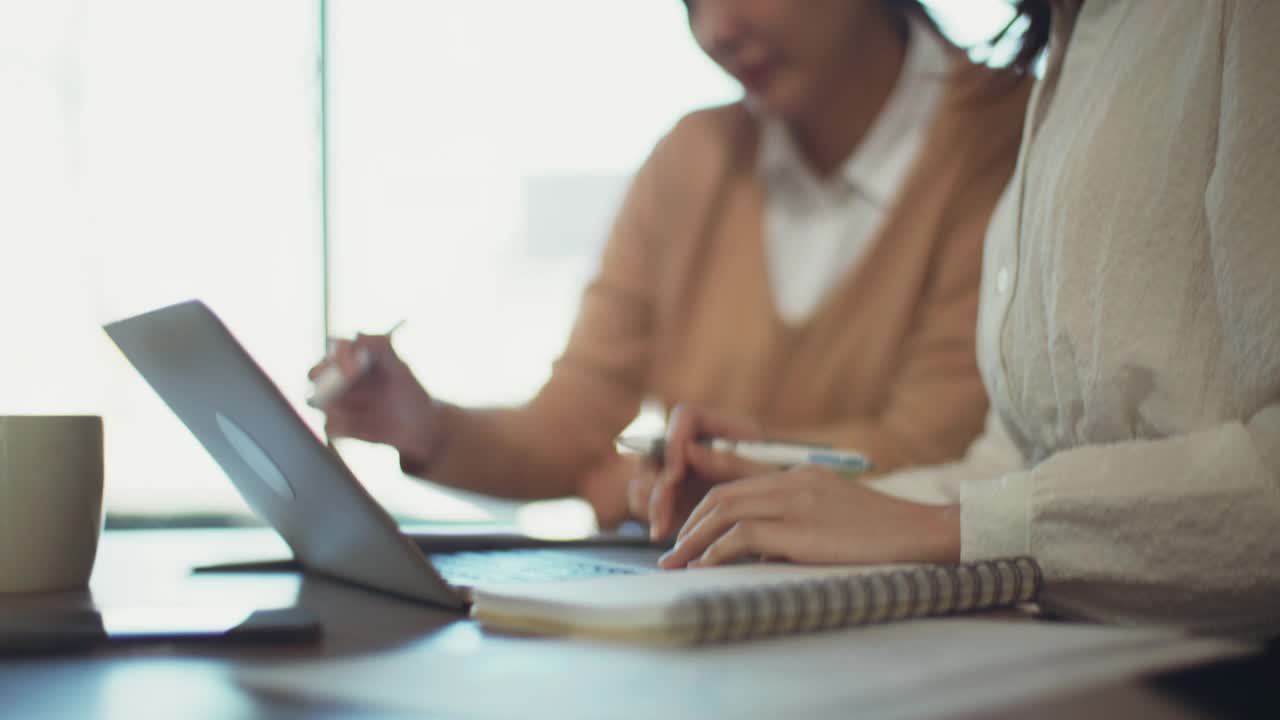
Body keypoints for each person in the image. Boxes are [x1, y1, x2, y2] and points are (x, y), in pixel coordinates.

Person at [650, 0, 1280, 638]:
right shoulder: (1074, 49)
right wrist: (794, 505)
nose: (714, 30)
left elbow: (992, 499)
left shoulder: (1237, 25)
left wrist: (942, 529)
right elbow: (1014, 463)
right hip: (1066, 645)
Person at [314, 0, 1034, 530]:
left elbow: (936, 449)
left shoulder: (1011, 133)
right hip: (722, 600)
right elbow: (575, 422)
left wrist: (656, 477)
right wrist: (426, 427)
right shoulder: (695, 158)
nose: (715, 30)